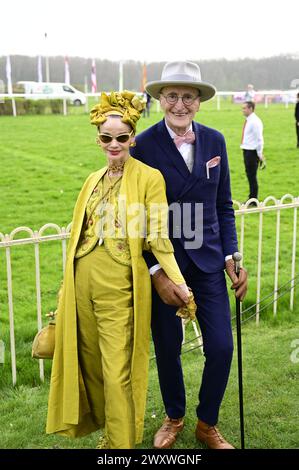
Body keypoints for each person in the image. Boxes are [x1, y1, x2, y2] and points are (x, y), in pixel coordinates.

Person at [46, 90, 191, 449]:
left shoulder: (149, 178)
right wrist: (65, 291)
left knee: (117, 372)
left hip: (120, 288)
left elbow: (159, 238)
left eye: (121, 137)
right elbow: (76, 237)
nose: (114, 144)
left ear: (133, 138)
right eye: (106, 137)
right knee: (92, 367)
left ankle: (121, 446)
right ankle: (109, 437)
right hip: (82, 283)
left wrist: (179, 283)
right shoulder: (91, 179)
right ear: (98, 139)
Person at [130, 61, 248, 449]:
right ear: (161, 100)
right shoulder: (143, 145)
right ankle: (174, 416)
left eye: (188, 97)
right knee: (167, 347)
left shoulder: (215, 142)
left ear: (198, 102)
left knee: (221, 346)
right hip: (166, 264)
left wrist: (233, 255)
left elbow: (223, 206)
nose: (180, 104)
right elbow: (137, 218)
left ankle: (207, 423)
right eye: (172, 96)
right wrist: (154, 272)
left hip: (210, 261)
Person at [240, 101, 265, 204]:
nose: (243, 110)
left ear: (250, 109)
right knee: (250, 175)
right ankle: (252, 198)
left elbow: (259, 139)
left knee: (252, 176)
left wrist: (260, 154)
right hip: (247, 150)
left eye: (244, 108)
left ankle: (253, 200)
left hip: (252, 152)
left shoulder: (255, 121)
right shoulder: (249, 120)